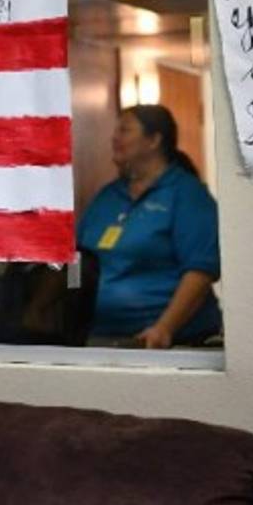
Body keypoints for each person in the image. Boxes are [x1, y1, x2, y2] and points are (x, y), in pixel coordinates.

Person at [77, 105, 222, 349]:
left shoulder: (186, 194)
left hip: (169, 341)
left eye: (124, 130)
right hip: (100, 338)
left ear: (154, 140)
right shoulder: (107, 196)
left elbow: (200, 271)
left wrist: (165, 328)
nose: (114, 138)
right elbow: (77, 260)